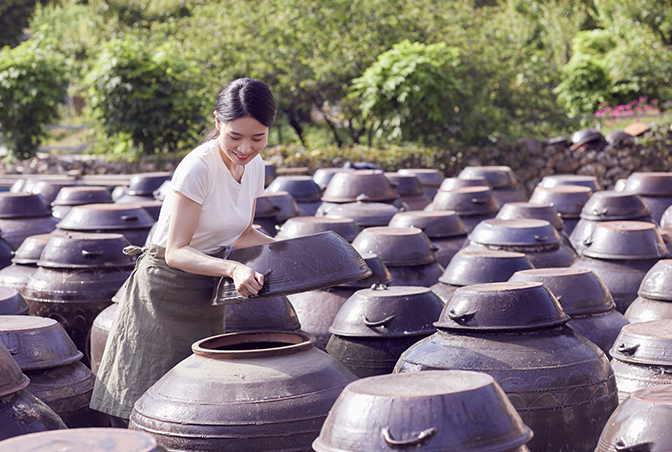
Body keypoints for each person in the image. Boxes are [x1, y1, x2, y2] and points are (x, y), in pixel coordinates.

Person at [90, 78, 277, 425]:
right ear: (218, 123)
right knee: (145, 401)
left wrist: (298, 250)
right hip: (166, 289)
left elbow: (245, 233)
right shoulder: (198, 167)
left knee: (196, 404)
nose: (245, 148)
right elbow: (176, 251)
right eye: (235, 136)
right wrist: (233, 270)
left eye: (258, 137)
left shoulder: (255, 165)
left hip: (207, 291)